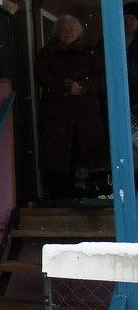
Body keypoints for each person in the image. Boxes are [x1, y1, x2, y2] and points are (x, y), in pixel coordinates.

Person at [34, 14, 109, 198]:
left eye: (71, 29)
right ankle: (62, 199)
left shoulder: (90, 53)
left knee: (87, 157)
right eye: (63, 30)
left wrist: (82, 86)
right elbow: (42, 76)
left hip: (86, 117)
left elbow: (101, 76)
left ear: (79, 32)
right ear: (57, 33)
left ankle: (88, 195)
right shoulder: (48, 53)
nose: (67, 33)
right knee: (58, 160)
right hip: (57, 117)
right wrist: (66, 86)